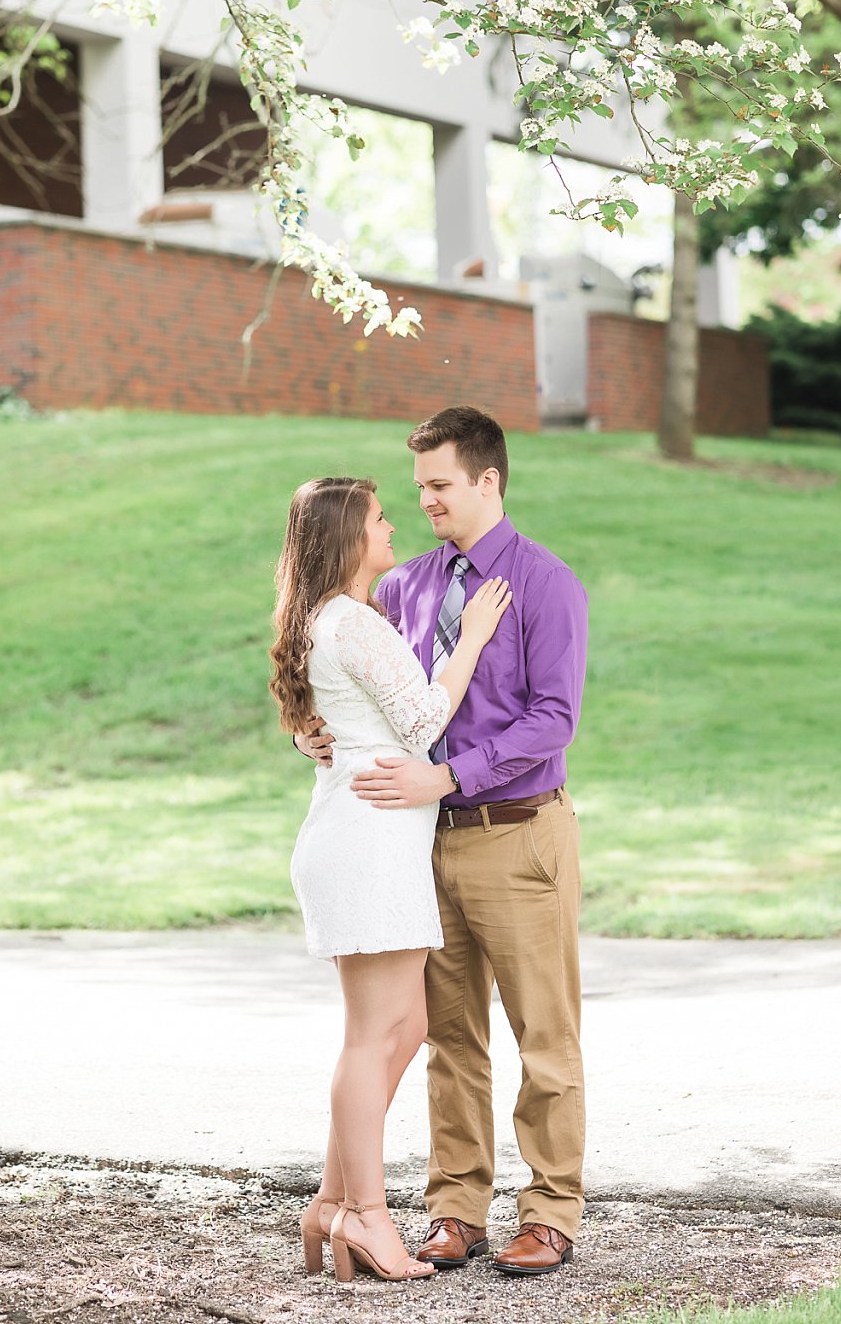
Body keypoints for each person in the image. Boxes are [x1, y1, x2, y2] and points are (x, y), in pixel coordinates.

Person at [296, 405, 591, 1279]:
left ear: (488, 480)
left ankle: (549, 1212)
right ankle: (456, 1208)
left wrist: (451, 777)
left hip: (518, 835)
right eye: (416, 486)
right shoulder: (403, 587)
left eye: (438, 484)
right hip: (418, 847)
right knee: (446, 1037)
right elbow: (371, 695)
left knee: (545, 1034)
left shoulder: (546, 583)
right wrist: (319, 735)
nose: (423, 500)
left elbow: (554, 720)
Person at [269, 476, 512, 1282]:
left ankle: (332, 1206)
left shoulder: (322, 620)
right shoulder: (354, 622)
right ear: (347, 539)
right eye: (378, 517)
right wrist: (473, 635)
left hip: (369, 841)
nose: (392, 524)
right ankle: (365, 1218)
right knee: (377, 1037)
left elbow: (335, 725)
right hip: (366, 845)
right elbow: (422, 722)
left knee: (399, 1030)